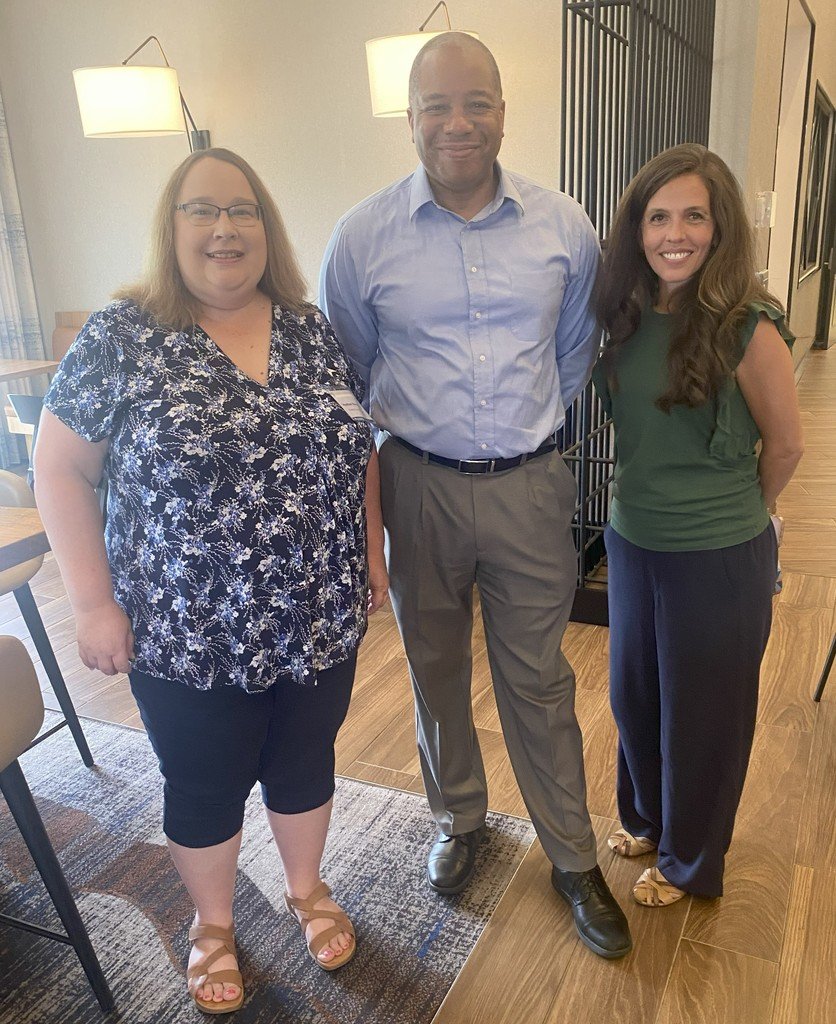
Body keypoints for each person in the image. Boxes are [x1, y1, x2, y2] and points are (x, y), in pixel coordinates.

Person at [34, 148, 388, 1013]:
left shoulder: (312, 330)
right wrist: (90, 602)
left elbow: (358, 452)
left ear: (267, 228)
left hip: (318, 614)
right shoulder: (124, 336)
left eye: (243, 210)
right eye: (202, 210)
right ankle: (214, 926)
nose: (225, 228)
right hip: (185, 627)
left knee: (306, 759)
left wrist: (371, 555)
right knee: (204, 779)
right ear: (172, 227)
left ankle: (307, 892)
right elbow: (59, 468)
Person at [320, 33, 631, 959]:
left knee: (538, 679)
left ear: (503, 110)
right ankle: (461, 822)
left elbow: (574, 356)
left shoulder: (563, 225)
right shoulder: (361, 236)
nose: (458, 123)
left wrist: (518, 432)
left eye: (477, 103)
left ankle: (573, 858)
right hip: (415, 484)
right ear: (409, 117)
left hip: (531, 487)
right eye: (437, 106)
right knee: (435, 668)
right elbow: (349, 369)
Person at [593, 144, 803, 906]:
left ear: (719, 229)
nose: (673, 234)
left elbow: (786, 446)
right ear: (637, 228)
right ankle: (648, 819)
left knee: (705, 717)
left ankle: (689, 861)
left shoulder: (749, 328)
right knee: (634, 695)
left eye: (693, 216)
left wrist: (745, 509)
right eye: (657, 217)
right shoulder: (624, 316)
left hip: (718, 553)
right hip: (632, 538)